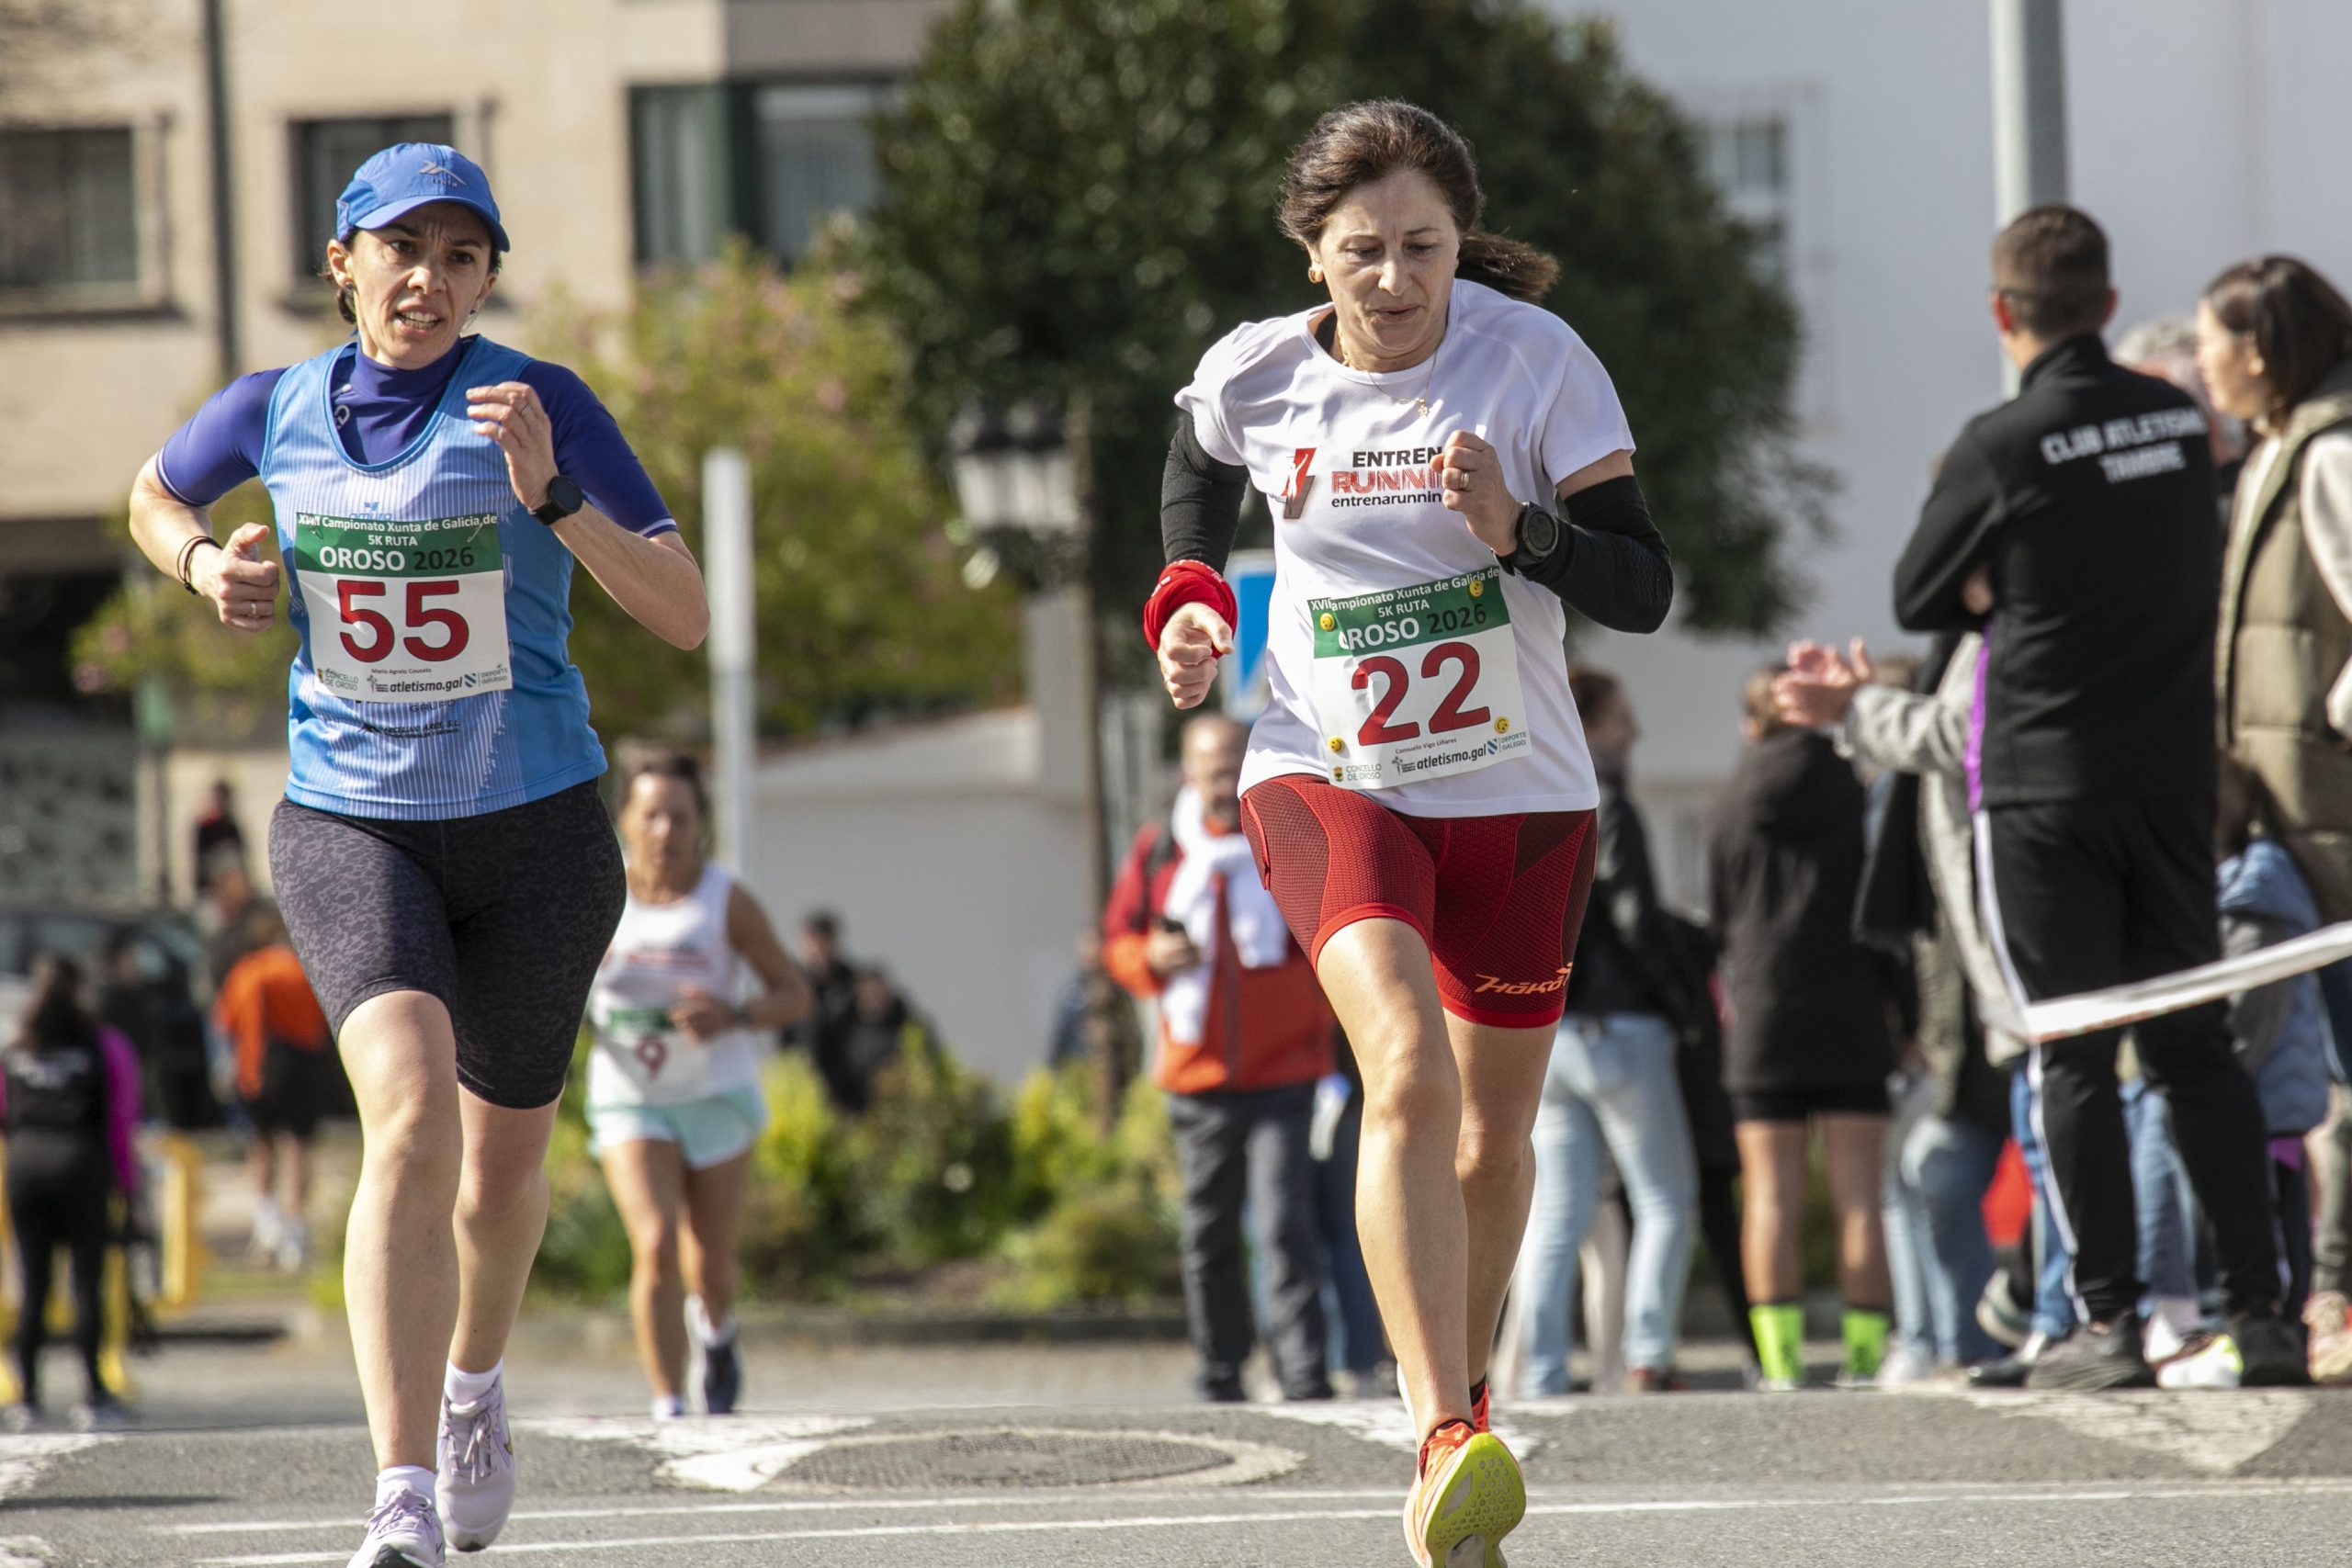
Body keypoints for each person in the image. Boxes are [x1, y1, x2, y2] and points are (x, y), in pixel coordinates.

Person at [124, 141, 707, 1568]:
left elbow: (684, 609)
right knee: (406, 1118)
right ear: (344, 264)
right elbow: (151, 492)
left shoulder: (539, 403)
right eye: (402, 250)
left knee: (497, 1175)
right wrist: (204, 565)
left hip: (537, 835)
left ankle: (473, 1383)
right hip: (353, 821)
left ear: (486, 276)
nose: (428, 280)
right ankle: (398, 1490)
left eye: (461, 256)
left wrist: (555, 497)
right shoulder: (272, 407)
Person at [1148, 100, 1669, 1567]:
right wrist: (1191, 602)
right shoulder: (1255, 371)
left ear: (1461, 244)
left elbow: (1644, 587)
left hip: (1521, 799)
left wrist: (1522, 530)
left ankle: (1467, 1397)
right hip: (1331, 774)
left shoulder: (1537, 360)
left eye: (1424, 248)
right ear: (1311, 253)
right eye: (1362, 249)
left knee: (1495, 1141)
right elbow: (1195, 479)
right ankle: (1440, 1426)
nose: (1394, 280)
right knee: (1406, 1067)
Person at [1893, 205, 2301, 1390]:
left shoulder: (2000, 442)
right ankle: (2262, 1314)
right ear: (2109, 304)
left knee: (2069, 1052)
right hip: (2171, 783)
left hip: (2044, 788)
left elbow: (1918, 594)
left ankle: (2107, 1324)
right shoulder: (2180, 422)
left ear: (2001, 313)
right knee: (2194, 1049)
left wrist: (1998, 587)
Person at [1777, 635, 2019, 1381]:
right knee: (1910, 1179)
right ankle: (1942, 1338)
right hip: (1951, 1024)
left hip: (1969, 1020)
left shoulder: (1906, 787)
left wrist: (1918, 1025)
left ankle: (1957, 1336)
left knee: (1918, 1177)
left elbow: (1925, 932)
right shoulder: (1888, 792)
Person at [2196, 256, 2352, 1385]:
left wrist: (2332, 725)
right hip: (2291, 808)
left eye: (2213, 344)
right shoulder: (2284, 446)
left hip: (2322, 801)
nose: (2204, 366)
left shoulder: (2331, 452)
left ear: (2256, 351)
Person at [1102, 715, 1338, 1404]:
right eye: (1210, 768)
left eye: (1234, 765)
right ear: (1187, 774)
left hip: (1285, 1074)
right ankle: (1221, 1371)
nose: (1223, 779)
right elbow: (1118, 940)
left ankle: (1302, 1374)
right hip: (1197, 1080)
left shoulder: (1287, 838)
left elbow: (1332, 935)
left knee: (1285, 1229)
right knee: (1207, 1235)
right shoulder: (1160, 850)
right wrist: (1150, 957)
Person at [586, 750, 809, 1421]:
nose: (665, 831)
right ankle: (669, 1403)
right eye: (651, 815)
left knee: (709, 1267)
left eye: (680, 817)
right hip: (632, 1096)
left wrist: (732, 1015)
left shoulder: (724, 899)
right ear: (626, 819)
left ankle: (716, 1331)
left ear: (700, 824)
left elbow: (794, 995)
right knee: (655, 1245)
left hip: (715, 1093)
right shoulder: (597, 893)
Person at [1710, 668, 1897, 1390]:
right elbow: (1885, 909)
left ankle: (1782, 1363)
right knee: (1860, 1196)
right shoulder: (1856, 787)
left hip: (1763, 1015)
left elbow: (1720, 915)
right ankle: (1864, 1358)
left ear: (1752, 722)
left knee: (1769, 1196)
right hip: (1852, 1008)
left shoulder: (1731, 797)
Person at [1513, 668, 1697, 1396]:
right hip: (1621, 1023)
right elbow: (1634, 915)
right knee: (1665, 1196)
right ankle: (1647, 1353)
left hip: (1551, 1029)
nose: (1633, 733)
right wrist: (1682, 1001)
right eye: (1621, 720)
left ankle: (1543, 1369)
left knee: (1558, 1212)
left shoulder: (1525, 793)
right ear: (1586, 722)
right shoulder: (1605, 796)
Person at [2, 956, 142, 1430]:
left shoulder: (17, 1049)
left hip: (25, 1168)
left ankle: (27, 1396)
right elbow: (120, 1121)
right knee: (86, 1283)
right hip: (82, 1166)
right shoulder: (105, 1045)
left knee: (34, 1285)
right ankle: (94, 1394)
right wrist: (127, 1188)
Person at [211, 914, 334, 1271]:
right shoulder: (304, 970)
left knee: (261, 1144)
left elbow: (226, 1021)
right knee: (299, 1147)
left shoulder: (249, 970)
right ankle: (296, 1229)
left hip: (259, 1064)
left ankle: (267, 1224)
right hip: (303, 1062)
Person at [784, 911, 864, 1112]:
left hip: (848, 1086)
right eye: (813, 942)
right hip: (802, 1082)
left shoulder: (852, 982)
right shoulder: (790, 983)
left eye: (823, 943)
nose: (818, 950)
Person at [192, 781, 246, 897]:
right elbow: (200, 861)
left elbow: (240, 858)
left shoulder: (232, 828)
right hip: (210, 889)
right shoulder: (206, 827)